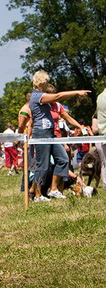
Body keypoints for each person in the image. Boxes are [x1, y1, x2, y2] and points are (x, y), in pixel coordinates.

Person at [29, 70, 90, 202]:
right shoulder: (37, 96)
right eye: (46, 82)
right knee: (42, 165)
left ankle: (54, 189)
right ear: (41, 82)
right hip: (41, 134)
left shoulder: (41, 95)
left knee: (63, 159)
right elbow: (57, 96)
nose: (48, 85)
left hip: (50, 134)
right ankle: (38, 195)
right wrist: (77, 92)